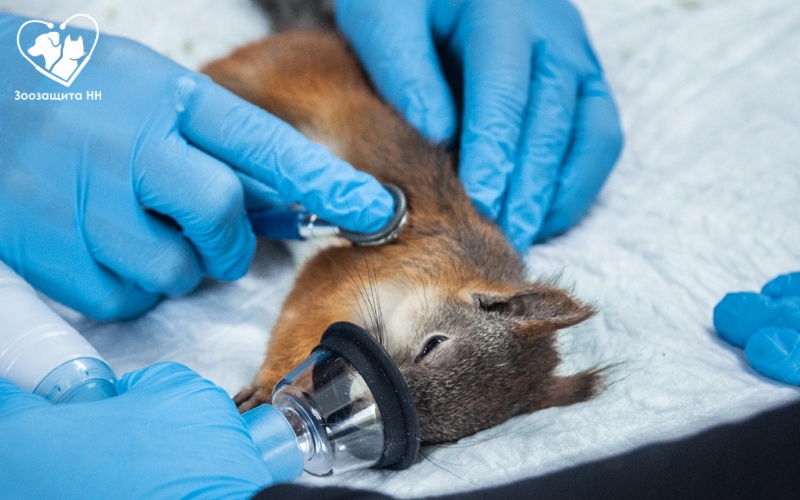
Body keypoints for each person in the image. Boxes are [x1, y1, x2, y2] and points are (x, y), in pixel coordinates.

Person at [1, 0, 632, 497]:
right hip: (298, 75)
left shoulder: (456, 308)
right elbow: (329, 280)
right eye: (428, 349)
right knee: (209, 103)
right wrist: (282, 371)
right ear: (500, 303)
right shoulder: (445, 259)